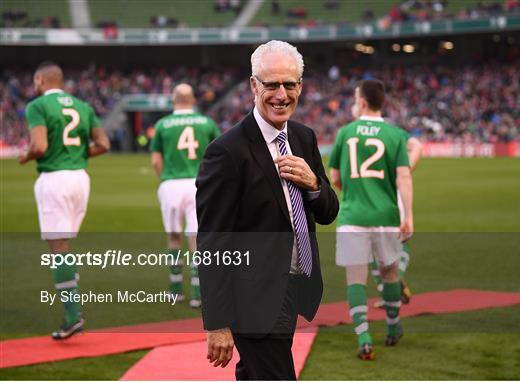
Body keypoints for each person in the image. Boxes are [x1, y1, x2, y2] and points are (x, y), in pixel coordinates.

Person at [196, 40, 339, 380]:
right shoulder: (226, 152)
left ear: (300, 87)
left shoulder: (304, 138)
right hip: (251, 297)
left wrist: (315, 185)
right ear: (253, 86)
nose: (281, 94)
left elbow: (328, 212)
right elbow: (212, 242)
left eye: (289, 84)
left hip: (293, 286)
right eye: (271, 84)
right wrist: (216, 323)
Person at [19, 61, 110, 340]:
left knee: (58, 247)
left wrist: (25, 157)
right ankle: (73, 304)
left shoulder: (37, 106)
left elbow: (40, 146)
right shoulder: (83, 106)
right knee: (65, 246)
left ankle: (73, 317)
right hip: (80, 178)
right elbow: (103, 144)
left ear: (39, 79)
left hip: (55, 178)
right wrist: (79, 156)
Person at [329, 80, 413, 360]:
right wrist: (408, 215)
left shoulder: (345, 133)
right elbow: (403, 176)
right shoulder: (395, 134)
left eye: (355, 97)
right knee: (389, 274)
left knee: (356, 278)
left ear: (362, 102)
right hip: (386, 215)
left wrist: (354, 192)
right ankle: (392, 328)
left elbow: (336, 178)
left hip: (353, 216)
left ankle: (364, 338)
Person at [150, 83, 221, 308]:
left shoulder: (163, 124)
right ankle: (198, 294)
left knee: (173, 236)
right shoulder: (206, 122)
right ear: (192, 100)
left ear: (174, 100)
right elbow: (218, 155)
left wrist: (165, 179)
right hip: (198, 184)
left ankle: (175, 290)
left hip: (171, 184)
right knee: (197, 239)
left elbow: (155, 160)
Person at [371, 136, 422, 308]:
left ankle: (389, 291)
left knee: (375, 253)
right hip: (396, 207)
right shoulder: (399, 164)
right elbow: (417, 147)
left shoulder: (370, 163)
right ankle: (395, 281)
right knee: (399, 245)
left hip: (375, 208)